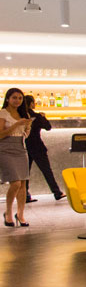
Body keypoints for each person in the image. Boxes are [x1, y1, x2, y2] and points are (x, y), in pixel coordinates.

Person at [20, 96, 64, 202]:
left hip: (24, 146)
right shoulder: (37, 116)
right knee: (46, 170)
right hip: (38, 147)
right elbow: (48, 127)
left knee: (25, 172)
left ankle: (25, 195)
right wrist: (44, 117)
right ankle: (57, 192)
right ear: (31, 104)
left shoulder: (20, 116)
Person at [0, 88, 32, 226]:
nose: (17, 100)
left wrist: (27, 128)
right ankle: (8, 212)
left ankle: (20, 214)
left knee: (23, 184)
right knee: (16, 183)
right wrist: (17, 125)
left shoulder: (22, 114)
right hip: (6, 149)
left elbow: (25, 136)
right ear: (8, 99)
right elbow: (1, 134)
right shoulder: (3, 113)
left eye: (20, 98)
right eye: (14, 97)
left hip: (21, 148)